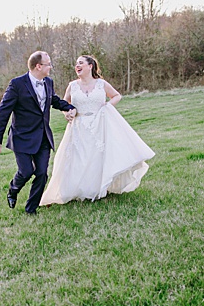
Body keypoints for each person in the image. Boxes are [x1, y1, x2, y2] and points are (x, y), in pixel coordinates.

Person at [40, 55, 155, 206]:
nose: (77, 66)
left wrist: (107, 107)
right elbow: (64, 103)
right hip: (78, 127)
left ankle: (98, 188)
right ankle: (75, 190)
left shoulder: (101, 84)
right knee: (78, 158)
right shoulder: (72, 86)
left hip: (99, 125)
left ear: (90, 66)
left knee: (97, 157)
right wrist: (67, 112)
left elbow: (116, 96)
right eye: (76, 64)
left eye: (80, 63)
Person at [0, 51, 77, 215]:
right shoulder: (17, 84)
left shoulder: (48, 82)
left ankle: (31, 209)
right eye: (48, 64)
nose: (51, 67)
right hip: (21, 137)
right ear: (38, 66)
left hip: (43, 136)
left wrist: (70, 107)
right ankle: (13, 189)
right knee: (26, 171)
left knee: (41, 174)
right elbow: (3, 113)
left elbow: (53, 100)